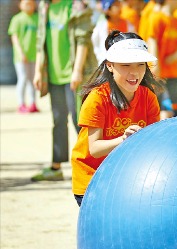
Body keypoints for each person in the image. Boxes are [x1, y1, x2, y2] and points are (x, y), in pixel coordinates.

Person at [69, 30, 161, 249]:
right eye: (125, 65)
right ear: (109, 65)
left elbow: (152, 142)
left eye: (139, 65)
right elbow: (94, 149)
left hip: (127, 180)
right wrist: (124, 137)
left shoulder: (147, 98)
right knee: (105, 241)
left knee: (133, 238)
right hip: (92, 180)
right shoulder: (97, 99)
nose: (134, 73)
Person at [31, 0, 98, 182]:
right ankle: (56, 167)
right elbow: (40, 40)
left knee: (80, 120)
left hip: (76, 75)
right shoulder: (44, 6)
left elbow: (83, 40)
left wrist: (77, 70)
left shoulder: (77, 7)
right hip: (52, 75)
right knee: (58, 120)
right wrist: (38, 70)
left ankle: (93, 166)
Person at [8, 0, 39, 114]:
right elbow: (14, 38)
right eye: (26, 4)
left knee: (32, 80)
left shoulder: (37, 18)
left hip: (34, 55)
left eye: (31, 4)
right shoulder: (17, 19)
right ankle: (21, 104)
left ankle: (33, 103)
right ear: (20, 5)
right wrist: (21, 53)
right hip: (21, 57)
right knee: (23, 79)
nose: (29, 6)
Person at [92, 0, 135, 64]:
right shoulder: (102, 26)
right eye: (116, 5)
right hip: (107, 61)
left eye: (119, 4)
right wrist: (100, 57)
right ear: (108, 10)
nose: (119, 7)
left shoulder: (128, 24)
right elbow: (95, 41)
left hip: (125, 60)